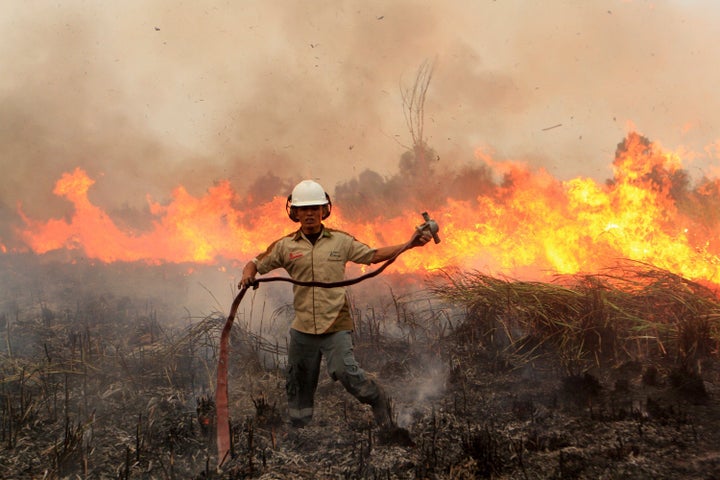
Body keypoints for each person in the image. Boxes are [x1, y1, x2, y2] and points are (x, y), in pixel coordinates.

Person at [240, 179, 433, 428]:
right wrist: (248, 275)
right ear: (294, 213)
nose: (309, 214)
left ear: (325, 210)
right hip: (303, 327)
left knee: (346, 373)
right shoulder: (285, 246)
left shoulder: (340, 242)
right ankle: (301, 429)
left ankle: (378, 399)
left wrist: (409, 244)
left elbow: (372, 255)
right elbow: (255, 263)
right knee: (298, 382)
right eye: (304, 209)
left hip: (335, 322)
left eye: (315, 208)